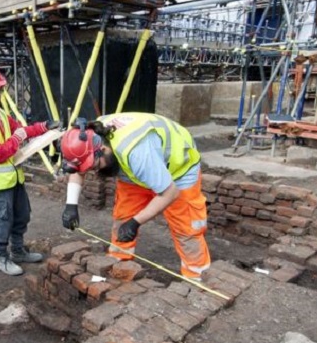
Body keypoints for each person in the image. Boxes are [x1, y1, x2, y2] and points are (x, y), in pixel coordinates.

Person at [59, 112, 211, 280]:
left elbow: (170, 193)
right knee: (123, 216)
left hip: (179, 169)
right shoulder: (90, 136)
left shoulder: (137, 153)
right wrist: (71, 205)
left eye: (94, 166)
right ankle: (119, 262)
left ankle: (197, 276)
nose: (93, 171)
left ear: (102, 149)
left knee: (186, 227)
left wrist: (135, 222)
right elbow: (79, 168)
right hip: (134, 171)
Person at [0, 63, 57, 276]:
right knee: (2, 221)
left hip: (14, 177)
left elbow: (20, 130)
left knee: (22, 215)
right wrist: (18, 137)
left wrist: (44, 127)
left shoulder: (0, 114)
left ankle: (18, 251)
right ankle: (1, 258)